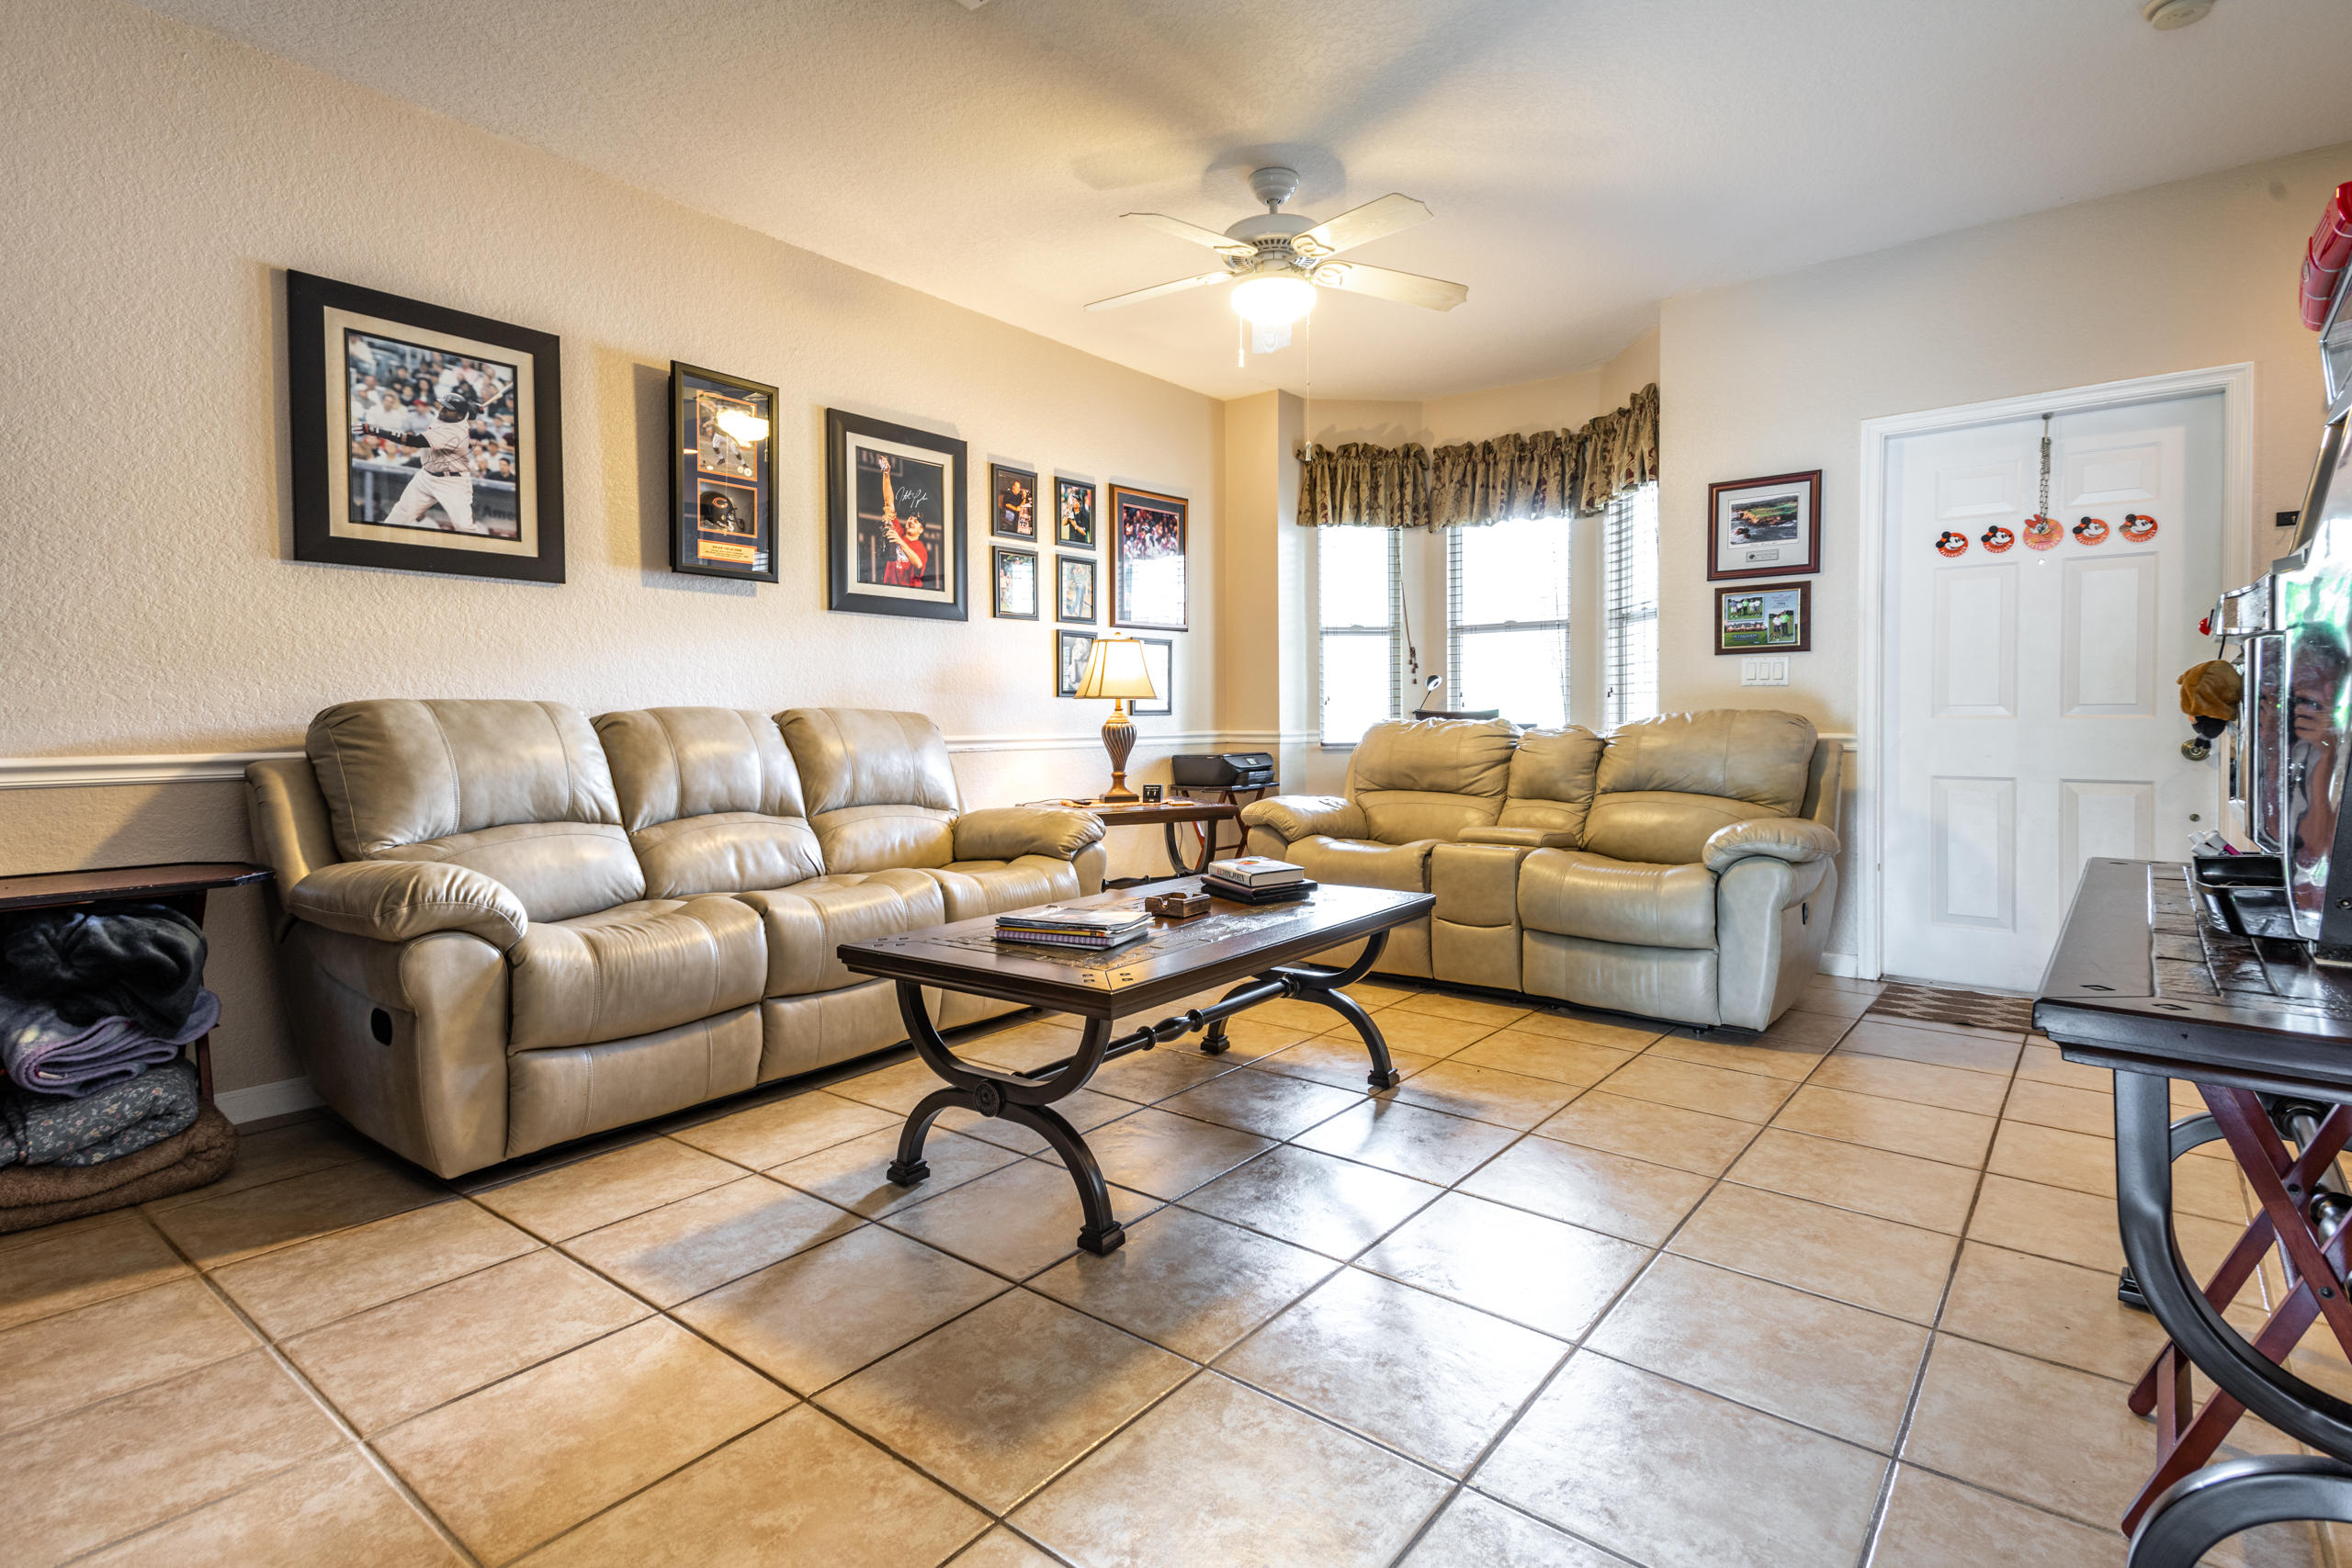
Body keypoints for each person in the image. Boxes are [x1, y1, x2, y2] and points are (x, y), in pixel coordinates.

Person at [358, 376, 510, 534]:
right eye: (443, 406)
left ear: (459, 415)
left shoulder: (454, 433)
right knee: (398, 516)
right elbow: (468, 412)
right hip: (426, 477)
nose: (442, 410)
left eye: (448, 409)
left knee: (465, 528)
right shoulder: (452, 417)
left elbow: (414, 441)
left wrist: (376, 430)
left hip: (452, 482)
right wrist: (472, 408)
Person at [871, 457, 931, 588]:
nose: (912, 521)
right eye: (911, 518)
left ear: (921, 530)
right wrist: (886, 475)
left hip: (909, 597)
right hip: (889, 591)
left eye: (916, 521)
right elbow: (889, 503)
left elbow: (918, 563)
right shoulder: (898, 531)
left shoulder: (920, 547)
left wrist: (900, 541)